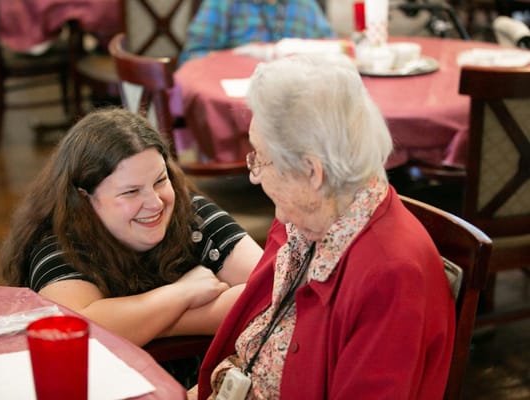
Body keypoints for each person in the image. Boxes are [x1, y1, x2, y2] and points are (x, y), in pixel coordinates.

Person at [195, 53, 456, 399]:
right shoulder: (306, 218)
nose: (254, 175)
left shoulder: (390, 277)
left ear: (312, 172)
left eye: (260, 157)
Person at [0, 108, 263, 348]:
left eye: (161, 180)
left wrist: (141, 323)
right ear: (84, 198)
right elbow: (77, 327)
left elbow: (271, 289)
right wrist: (182, 293)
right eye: (131, 191)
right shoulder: (58, 241)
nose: (155, 202)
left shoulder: (191, 212)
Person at [178, 0, 335, 65]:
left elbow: (333, 50)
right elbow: (192, 57)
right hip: (236, 103)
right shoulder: (222, 3)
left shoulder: (305, 4)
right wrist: (234, 60)